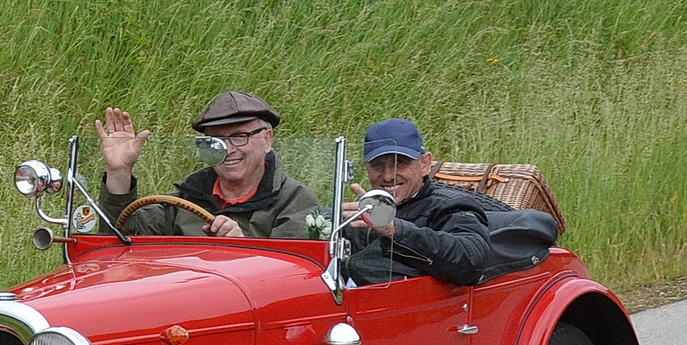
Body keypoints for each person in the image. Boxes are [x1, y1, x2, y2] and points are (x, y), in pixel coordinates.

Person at [95, 91, 321, 238]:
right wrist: (119, 171)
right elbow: (119, 241)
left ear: (267, 140)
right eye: (216, 141)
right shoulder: (183, 201)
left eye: (240, 136)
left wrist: (241, 245)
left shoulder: (295, 201)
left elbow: (291, 275)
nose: (229, 150)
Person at [344, 117, 496, 285]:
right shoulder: (365, 208)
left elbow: (472, 260)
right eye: (377, 165)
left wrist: (394, 230)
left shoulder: (449, 206)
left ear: (425, 164)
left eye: (399, 163)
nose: (388, 176)